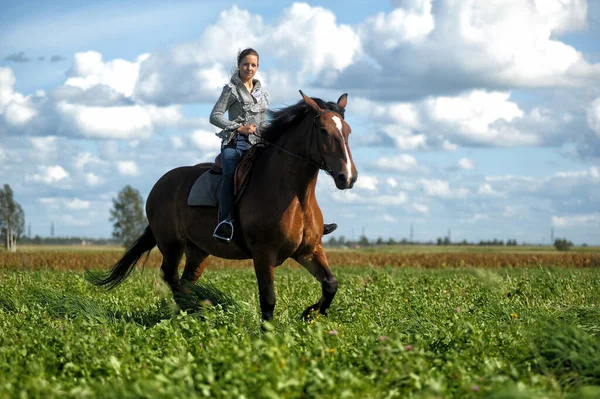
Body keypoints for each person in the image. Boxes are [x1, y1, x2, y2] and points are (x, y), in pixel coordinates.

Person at [209, 48, 337, 243]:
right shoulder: (231, 90)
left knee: (292, 171)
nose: (249, 68)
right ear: (239, 65)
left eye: (253, 65)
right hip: (235, 144)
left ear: (257, 67)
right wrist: (238, 127)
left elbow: (263, 122)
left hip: (260, 144)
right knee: (230, 173)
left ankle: (310, 220)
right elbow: (215, 116)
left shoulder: (263, 93)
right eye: (245, 64)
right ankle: (226, 222)